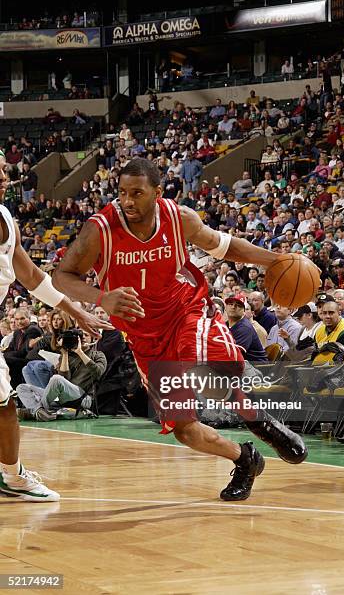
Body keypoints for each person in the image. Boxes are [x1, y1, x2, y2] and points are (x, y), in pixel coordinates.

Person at [53, 158, 313, 502]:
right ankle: (245, 458)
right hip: (144, 335)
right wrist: (101, 297)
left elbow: (223, 245)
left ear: (157, 193)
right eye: (121, 193)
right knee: (185, 431)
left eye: (136, 193)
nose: (127, 201)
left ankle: (260, 422)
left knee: (204, 363)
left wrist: (275, 260)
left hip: (186, 310)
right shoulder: (100, 229)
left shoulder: (179, 217)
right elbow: (62, 276)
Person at [0, 151, 109, 502]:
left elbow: (32, 277)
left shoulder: (6, 219)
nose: (4, 177)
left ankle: (12, 477)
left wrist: (76, 311)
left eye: (4, 170)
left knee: (4, 405)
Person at [225, 295, 267, 362]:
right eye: (230, 304)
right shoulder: (224, 325)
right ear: (225, 308)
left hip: (256, 367)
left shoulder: (245, 327)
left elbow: (233, 354)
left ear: (243, 311)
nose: (233, 307)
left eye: (238, 305)